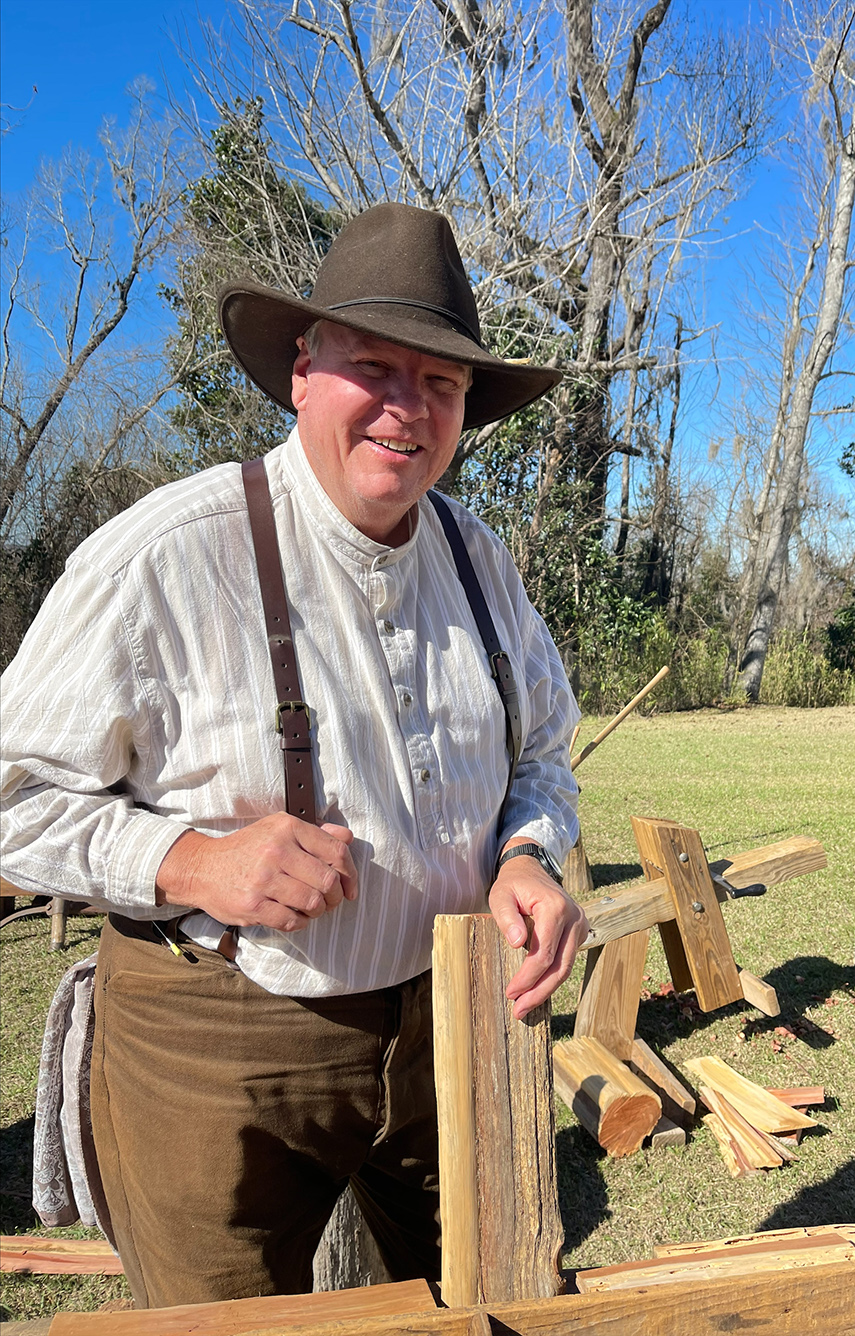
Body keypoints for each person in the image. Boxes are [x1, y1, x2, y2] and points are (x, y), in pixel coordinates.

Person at [0, 203, 587, 1308]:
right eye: (375, 366)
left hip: (449, 1020)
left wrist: (526, 854)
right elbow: (11, 795)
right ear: (304, 369)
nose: (409, 409)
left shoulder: (480, 561)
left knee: (487, 1295)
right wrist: (189, 862)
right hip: (218, 1042)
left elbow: (545, 753)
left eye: (443, 383)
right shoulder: (165, 559)